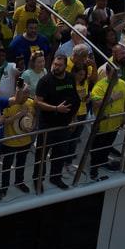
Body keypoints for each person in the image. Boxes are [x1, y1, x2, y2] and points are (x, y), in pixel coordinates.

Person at [34, 54, 81, 189]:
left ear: (65, 66)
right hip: (47, 125)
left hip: (64, 124)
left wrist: (74, 118)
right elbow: (37, 103)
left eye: (59, 65)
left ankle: (55, 178)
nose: (56, 67)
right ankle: (38, 180)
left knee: (60, 153)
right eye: (55, 64)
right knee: (41, 155)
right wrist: (56, 108)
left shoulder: (70, 78)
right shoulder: (45, 81)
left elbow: (74, 98)